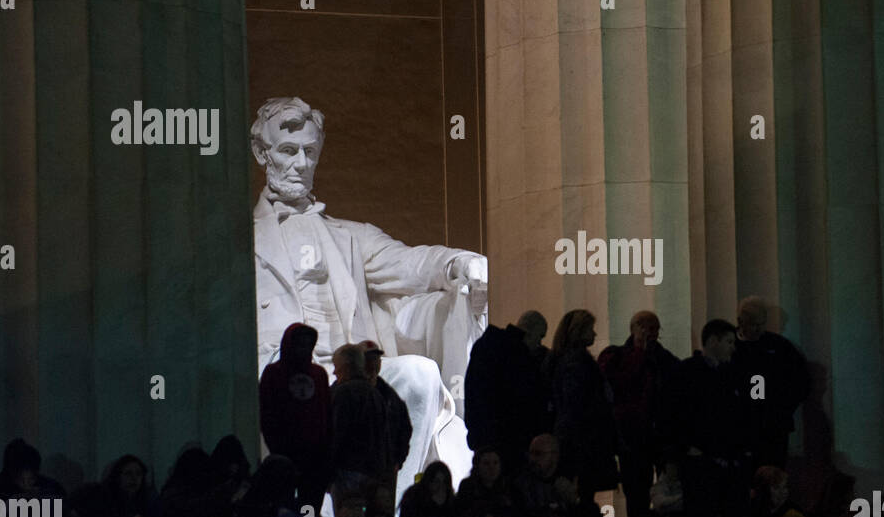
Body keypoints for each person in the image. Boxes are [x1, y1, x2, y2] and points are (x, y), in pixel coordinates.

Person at [250, 96, 486, 486]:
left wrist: (459, 264)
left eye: (310, 151)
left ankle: (393, 499)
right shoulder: (239, 244)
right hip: (284, 380)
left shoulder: (352, 237)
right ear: (262, 153)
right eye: (288, 151)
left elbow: (411, 264)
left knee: (420, 374)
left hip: (353, 377)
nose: (302, 163)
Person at [662, 318, 751, 517]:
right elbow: (671, 416)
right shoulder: (686, 373)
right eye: (729, 341)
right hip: (702, 464)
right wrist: (683, 450)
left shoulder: (730, 373)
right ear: (713, 341)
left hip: (724, 462)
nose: (734, 347)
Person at [598, 310, 680, 517]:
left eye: (655, 329)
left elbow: (677, 383)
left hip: (661, 437)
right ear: (633, 328)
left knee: (669, 495)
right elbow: (619, 383)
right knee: (636, 497)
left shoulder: (663, 359)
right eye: (646, 327)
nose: (651, 333)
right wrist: (639, 353)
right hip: (632, 439)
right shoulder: (615, 356)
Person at [464, 311, 551, 475]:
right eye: (539, 336)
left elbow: (475, 397)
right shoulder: (518, 357)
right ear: (530, 332)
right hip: (507, 442)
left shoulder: (488, 347)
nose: (539, 343)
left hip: (486, 438)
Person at [259, 322, 331, 509]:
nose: (304, 349)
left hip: (314, 456)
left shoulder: (319, 374)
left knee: (309, 507)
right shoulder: (273, 373)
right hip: (284, 452)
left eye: (308, 345)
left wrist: (326, 452)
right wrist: (276, 446)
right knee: (283, 504)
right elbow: (266, 412)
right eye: (300, 344)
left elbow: (326, 414)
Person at [547, 310, 620, 495]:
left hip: (576, 440)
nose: (594, 334)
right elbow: (576, 407)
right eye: (591, 329)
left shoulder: (566, 362)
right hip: (583, 442)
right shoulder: (577, 364)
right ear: (579, 331)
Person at [732, 297, 809, 469]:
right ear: (740, 322)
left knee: (774, 476)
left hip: (773, 428)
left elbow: (801, 380)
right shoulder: (731, 347)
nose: (759, 329)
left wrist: (783, 408)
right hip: (741, 428)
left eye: (762, 323)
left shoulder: (779, 346)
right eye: (753, 324)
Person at [328, 342, 395, 491]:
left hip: (348, 471)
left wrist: (329, 470)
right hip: (374, 472)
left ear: (347, 366)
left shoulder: (343, 393)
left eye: (336, 366)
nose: (334, 372)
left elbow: (337, 434)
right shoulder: (376, 394)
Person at [360, 340, 412, 475]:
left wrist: (397, 461)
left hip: (383, 471)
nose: (372, 364)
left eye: (376, 359)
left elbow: (404, 428)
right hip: (353, 471)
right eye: (368, 359)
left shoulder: (389, 395)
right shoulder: (345, 391)